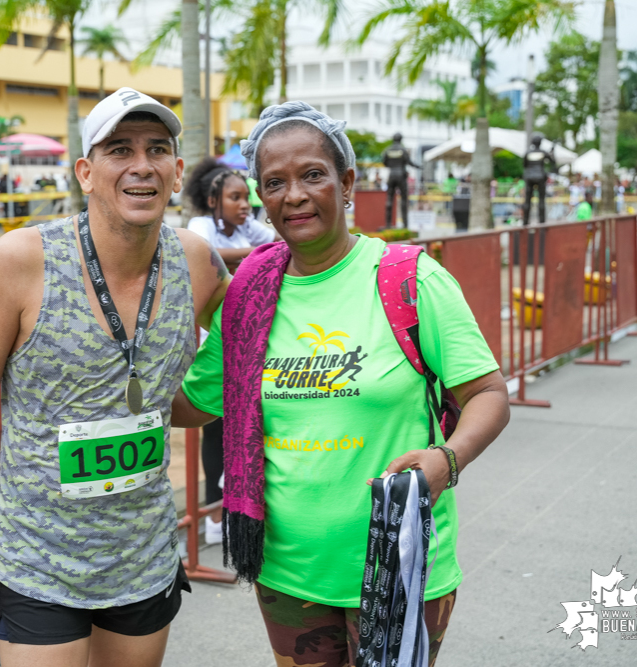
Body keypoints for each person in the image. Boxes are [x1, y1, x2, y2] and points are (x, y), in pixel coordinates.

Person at [172, 102, 511, 666]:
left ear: (346, 181)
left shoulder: (411, 279)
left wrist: (447, 461)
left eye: (312, 175)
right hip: (287, 574)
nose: (294, 195)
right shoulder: (250, 293)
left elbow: (488, 395)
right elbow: (191, 403)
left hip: (398, 563)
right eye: (274, 183)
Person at [0, 88, 230, 667]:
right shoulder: (21, 261)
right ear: (86, 173)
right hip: (39, 556)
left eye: (157, 150)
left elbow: (232, 357)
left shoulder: (197, 260)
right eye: (119, 149)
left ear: (176, 171)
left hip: (143, 552)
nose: (141, 165)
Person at [184, 157, 278, 544]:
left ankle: (240, 506)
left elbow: (276, 243)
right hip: (215, 347)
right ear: (212, 200)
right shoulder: (201, 227)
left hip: (250, 342)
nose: (244, 205)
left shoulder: (245, 227)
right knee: (216, 431)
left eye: (247, 197)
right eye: (235, 198)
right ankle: (214, 517)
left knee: (247, 427)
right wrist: (254, 259)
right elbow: (203, 255)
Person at [381, 132, 418, 228]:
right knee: (404, 199)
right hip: (401, 175)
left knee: (389, 198)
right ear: (401, 139)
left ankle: (388, 224)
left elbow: (384, 162)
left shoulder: (388, 150)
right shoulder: (403, 150)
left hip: (391, 175)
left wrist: (392, 166)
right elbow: (410, 162)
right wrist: (418, 166)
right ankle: (405, 224)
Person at [522, 134, 555, 225]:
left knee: (527, 200)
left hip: (529, 177)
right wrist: (552, 152)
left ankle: (525, 221)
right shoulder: (543, 152)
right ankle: (541, 221)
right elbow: (553, 162)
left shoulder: (528, 152)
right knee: (541, 200)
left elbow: (524, 165)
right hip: (540, 176)